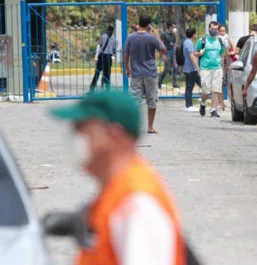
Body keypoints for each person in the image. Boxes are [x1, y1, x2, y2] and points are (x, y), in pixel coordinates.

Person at [50, 90, 188, 265]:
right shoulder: (117, 190)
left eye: (82, 128)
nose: (76, 137)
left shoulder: (136, 203)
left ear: (112, 134)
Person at [125, 15, 166, 133]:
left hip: (136, 74)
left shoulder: (130, 37)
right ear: (149, 25)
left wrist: (128, 69)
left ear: (138, 23)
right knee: (151, 101)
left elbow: (126, 55)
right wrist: (157, 36)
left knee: (135, 101)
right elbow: (163, 50)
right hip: (150, 73)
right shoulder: (152, 38)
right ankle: (150, 127)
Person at [195, 21, 230, 118]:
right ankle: (202, 102)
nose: (214, 30)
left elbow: (222, 55)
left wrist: (223, 68)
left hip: (217, 68)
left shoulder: (220, 41)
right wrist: (200, 53)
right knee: (206, 89)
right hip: (205, 68)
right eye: (212, 28)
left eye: (216, 29)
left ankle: (213, 109)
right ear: (208, 28)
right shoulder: (202, 40)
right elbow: (195, 52)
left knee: (216, 89)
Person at [90, 25, 117, 93]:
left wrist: (96, 57)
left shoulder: (103, 36)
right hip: (109, 57)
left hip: (102, 56)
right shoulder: (114, 39)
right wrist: (113, 57)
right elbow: (114, 50)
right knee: (107, 75)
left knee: (97, 73)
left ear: (106, 30)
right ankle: (107, 91)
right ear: (112, 31)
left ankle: (92, 90)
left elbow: (100, 45)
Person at [182, 28, 201, 112]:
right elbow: (191, 56)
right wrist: (197, 67)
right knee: (189, 87)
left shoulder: (187, 42)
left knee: (202, 84)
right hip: (190, 69)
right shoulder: (189, 43)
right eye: (195, 33)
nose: (196, 35)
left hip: (191, 69)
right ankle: (189, 105)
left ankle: (190, 104)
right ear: (193, 34)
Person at [218, 25, 236, 111]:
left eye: (223, 31)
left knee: (229, 84)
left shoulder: (229, 39)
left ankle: (232, 103)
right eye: (220, 31)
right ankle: (222, 105)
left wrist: (228, 53)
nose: (222, 33)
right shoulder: (216, 40)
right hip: (219, 63)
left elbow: (235, 50)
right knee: (219, 84)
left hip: (228, 63)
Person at [158, 22, 179, 89]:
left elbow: (176, 43)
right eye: (173, 27)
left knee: (175, 67)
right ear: (169, 27)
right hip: (166, 53)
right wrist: (163, 55)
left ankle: (174, 83)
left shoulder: (173, 34)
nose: (173, 28)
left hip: (172, 52)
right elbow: (161, 44)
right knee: (167, 69)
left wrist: (175, 51)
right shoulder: (164, 34)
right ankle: (159, 82)